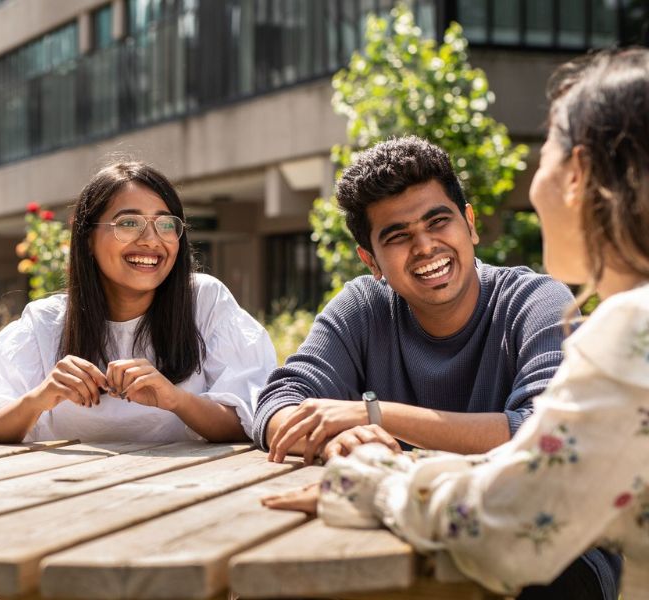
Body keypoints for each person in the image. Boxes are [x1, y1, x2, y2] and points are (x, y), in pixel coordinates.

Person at [263, 48, 649, 598]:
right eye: (396, 236)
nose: (424, 248)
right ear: (369, 259)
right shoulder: (634, 323)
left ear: (577, 174)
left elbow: (515, 516)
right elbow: (285, 395)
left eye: (544, 154)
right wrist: (324, 435)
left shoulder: (628, 331)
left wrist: (370, 478)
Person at [0, 161, 275, 444]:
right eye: (128, 223)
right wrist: (38, 399)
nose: (150, 240)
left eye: (165, 224)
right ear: (87, 238)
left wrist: (176, 400)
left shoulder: (204, 301)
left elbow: (248, 421)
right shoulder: (45, 323)